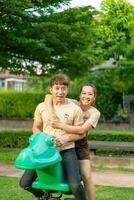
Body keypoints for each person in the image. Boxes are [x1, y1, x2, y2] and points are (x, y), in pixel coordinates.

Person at [19, 74, 86, 200]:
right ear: (51, 90)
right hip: (44, 152)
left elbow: (80, 133)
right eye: (57, 88)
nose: (60, 92)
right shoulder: (41, 107)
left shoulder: (75, 109)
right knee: (24, 183)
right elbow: (35, 127)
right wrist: (45, 142)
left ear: (67, 90)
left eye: (63, 88)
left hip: (66, 150)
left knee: (75, 186)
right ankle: (45, 196)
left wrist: (63, 140)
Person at [44, 83, 100, 200]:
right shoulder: (72, 103)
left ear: (94, 97)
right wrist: (51, 113)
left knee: (87, 176)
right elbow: (48, 97)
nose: (86, 96)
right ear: (79, 95)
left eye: (90, 94)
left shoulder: (95, 113)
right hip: (61, 141)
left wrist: (58, 125)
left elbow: (81, 131)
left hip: (80, 144)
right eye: (84, 93)